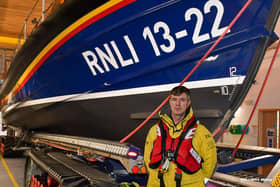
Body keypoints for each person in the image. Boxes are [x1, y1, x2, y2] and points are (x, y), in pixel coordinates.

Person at [144, 86, 217, 187]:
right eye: (174, 99)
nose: (177, 104)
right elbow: (147, 159)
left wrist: (196, 182)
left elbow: (210, 165)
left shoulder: (202, 133)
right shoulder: (154, 131)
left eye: (182, 100)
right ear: (169, 101)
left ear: (188, 103)